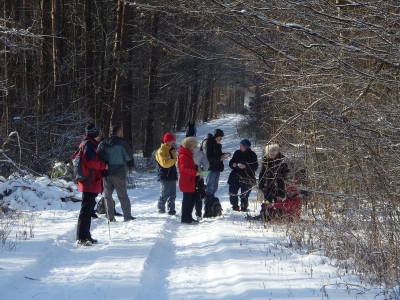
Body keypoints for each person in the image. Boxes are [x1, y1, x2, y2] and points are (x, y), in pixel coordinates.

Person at [76, 124, 108, 246]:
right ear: (94, 133)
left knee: (88, 210)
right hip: (89, 181)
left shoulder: (87, 143)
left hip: (90, 181)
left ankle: (86, 235)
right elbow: (90, 162)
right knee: (85, 210)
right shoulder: (88, 144)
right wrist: (103, 165)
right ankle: (81, 238)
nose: (99, 135)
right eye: (98, 133)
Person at [98, 125, 135, 222]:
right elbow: (129, 157)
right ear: (118, 132)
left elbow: (98, 155)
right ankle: (127, 216)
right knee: (122, 195)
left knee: (107, 196)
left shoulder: (103, 143)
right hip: (119, 172)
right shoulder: (122, 143)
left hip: (106, 172)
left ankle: (110, 217)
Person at [200, 129, 231, 203]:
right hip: (210, 168)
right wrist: (220, 158)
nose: (221, 138)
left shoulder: (216, 143)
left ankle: (212, 202)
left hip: (217, 168)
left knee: (214, 188)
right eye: (220, 136)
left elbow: (217, 155)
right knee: (210, 188)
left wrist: (224, 155)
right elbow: (207, 157)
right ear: (216, 136)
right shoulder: (208, 142)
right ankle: (208, 204)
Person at [228, 139, 258, 212]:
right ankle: (234, 206)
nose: (240, 146)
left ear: (245, 147)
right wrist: (233, 164)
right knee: (232, 191)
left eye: (241, 145)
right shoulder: (237, 153)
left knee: (245, 193)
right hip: (236, 175)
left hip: (247, 176)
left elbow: (255, 166)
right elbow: (231, 162)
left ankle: (244, 207)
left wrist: (245, 166)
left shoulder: (252, 154)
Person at [178, 137, 200, 224]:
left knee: (192, 199)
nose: (195, 147)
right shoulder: (183, 155)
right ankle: (185, 218)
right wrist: (194, 172)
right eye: (194, 146)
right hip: (187, 181)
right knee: (187, 200)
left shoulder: (188, 154)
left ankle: (189, 216)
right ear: (190, 146)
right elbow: (183, 168)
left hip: (191, 180)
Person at [155, 132, 178, 215]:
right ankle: (161, 210)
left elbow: (172, 161)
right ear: (166, 141)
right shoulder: (161, 151)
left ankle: (171, 210)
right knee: (164, 195)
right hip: (165, 176)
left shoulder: (171, 150)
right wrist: (175, 160)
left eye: (173, 141)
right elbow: (165, 163)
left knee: (172, 196)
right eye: (171, 141)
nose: (173, 142)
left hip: (172, 176)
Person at [193, 144, 210, 220]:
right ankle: (198, 214)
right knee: (198, 195)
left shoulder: (185, 152)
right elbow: (207, 165)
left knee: (188, 196)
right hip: (199, 177)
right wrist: (202, 171)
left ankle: (187, 213)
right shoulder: (200, 153)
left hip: (188, 177)